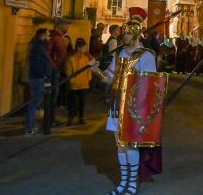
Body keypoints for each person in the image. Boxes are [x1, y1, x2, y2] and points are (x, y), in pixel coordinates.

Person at [104, 13, 162, 195]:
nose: (123, 37)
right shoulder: (120, 53)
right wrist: (95, 71)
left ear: (136, 35)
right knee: (120, 145)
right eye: (123, 34)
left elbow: (149, 86)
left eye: (127, 34)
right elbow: (110, 77)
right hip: (116, 104)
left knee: (131, 145)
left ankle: (131, 184)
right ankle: (123, 182)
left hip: (133, 108)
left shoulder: (146, 56)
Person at [25, 29, 52, 135]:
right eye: (48, 36)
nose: (49, 38)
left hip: (38, 77)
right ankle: (30, 128)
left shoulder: (38, 46)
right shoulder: (38, 47)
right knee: (34, 103)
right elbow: (35, 63)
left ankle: (31, 126)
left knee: (35, 103)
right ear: (43, 36)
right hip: (37, 78)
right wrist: (43, 73)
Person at [65, 38, 93, 126]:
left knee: (82, 103)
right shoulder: (71, 59)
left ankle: (81, 117)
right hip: (74, 85)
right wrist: (72, 81)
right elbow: (68, 71)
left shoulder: (86, 58)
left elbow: (89, 70)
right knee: (73, 103)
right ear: (78, 48)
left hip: (84, 84)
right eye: (84, 47)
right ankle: (71, 118)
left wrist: (88, 79)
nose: (85, 49)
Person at [48, 18, 70, 125]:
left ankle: (51, 118)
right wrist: (54, 66)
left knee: (54, 95)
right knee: (52, 95)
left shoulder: (59, 37)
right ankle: (49, 120)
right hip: (53, 71)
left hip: (58, 70)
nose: (67, 27)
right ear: (60, 25)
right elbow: (48, 53)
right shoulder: (54, 37)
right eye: (66, 25)